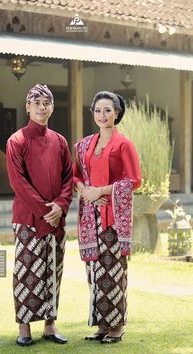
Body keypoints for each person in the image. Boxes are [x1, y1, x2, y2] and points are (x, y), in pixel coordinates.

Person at [6, 84, 73, 347]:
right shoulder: (17, 140)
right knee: (26, 272)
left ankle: (50, 325)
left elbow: (68, 177)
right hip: (28, 219)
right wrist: (47, 211)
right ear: (27, 107)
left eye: (47, 102)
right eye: (37, 102)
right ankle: (24, 328)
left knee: (53, 271)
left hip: (56, 218)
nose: (42, 107)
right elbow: (18, 182)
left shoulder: (60, 141)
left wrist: (60, 205)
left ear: (52, 107)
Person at [73, 91, 141, 344]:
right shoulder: (84, 145)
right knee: (95, 271)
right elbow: (76, 176)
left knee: (113, 270)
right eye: (98, 110)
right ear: (93, 113)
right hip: (90, 217)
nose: (102, 115)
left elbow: (134, 181)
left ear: (117, 113)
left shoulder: (124, 144)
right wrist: (86, 192)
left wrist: (102, 190)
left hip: (113, 217)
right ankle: (102, 325)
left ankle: (117, 326)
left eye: (108, 110)